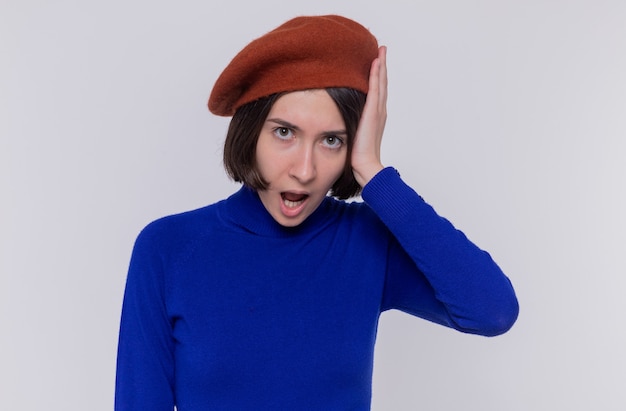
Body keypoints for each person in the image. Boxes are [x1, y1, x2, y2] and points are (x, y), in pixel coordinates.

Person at [114, 14, 518, 411]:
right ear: (250, 132)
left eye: (331, 140)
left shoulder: (365, 242)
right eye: (284, 132)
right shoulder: (169, 249)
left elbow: (492, 311)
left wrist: (375, 175)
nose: (304, 170)